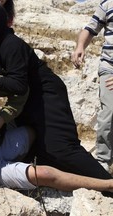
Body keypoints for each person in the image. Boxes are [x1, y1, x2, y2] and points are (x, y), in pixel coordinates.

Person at [0, 1, 113, 180]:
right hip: (30, 101)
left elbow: (18, 85)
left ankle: (107, 185)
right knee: (42, 151)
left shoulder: (11, 45)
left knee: (62, 150)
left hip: (47, 97)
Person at [71, 1, 113, 173]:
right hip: (109, 67)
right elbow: (90, 28)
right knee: (109, 111)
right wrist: (80, 46)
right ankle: (103, 161)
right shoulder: (108, 4)